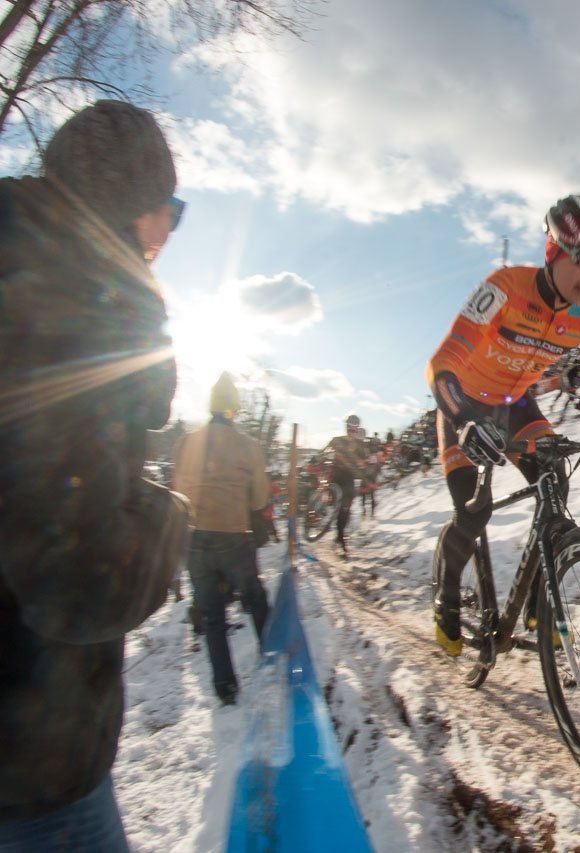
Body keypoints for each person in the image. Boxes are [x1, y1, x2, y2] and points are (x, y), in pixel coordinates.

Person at [0, 100, 191, 852]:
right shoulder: (82, 314)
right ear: (136, 209)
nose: (172, 231)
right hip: (29, 753)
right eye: (172, 210)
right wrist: (166, 516)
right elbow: (79, 582)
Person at [426, 194, 580, 655]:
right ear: (554, 250)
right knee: (473, 513)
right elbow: (442, 364)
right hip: (463, 403)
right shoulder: (503, 287)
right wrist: (461, 422)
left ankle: (543, 597)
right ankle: (446, 594)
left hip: (515, 406)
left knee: (553, 482)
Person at [171, 373, 271, 706]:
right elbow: (259, 498)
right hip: (233, 537)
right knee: (255, 598)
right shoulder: (248, 446)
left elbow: (177, 490)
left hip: (195, 538)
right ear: (235, 409)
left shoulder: (188, 441)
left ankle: (225, 687)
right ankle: (273, 660)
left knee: (212, 615)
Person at [320, 414, 368, 555]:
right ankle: (321, 510)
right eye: (349, 428)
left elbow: (365, 460)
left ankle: (340, 538)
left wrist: (362, 463)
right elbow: (324, 451)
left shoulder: (360, 445)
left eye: (354, 429)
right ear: (346, 427)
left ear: (357, 430)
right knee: (328, 495)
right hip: (335, 474)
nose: (351, 432)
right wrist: (318, 457)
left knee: (345, 508)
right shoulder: (337, 440)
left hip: (349, 478)